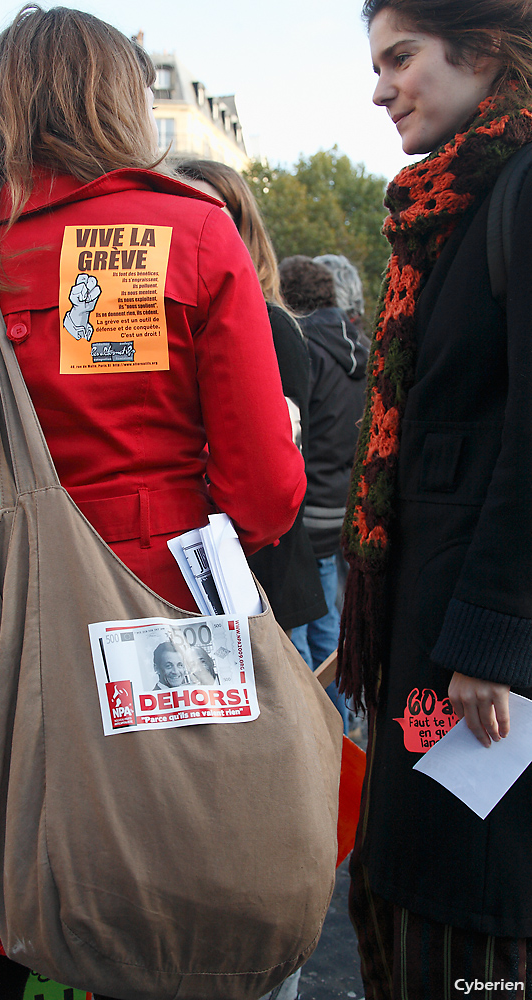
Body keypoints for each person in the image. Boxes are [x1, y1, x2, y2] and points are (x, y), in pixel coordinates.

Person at [0, 7, 305, 998]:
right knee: (153, 920)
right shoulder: (191, 230)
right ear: (120, 102)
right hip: (159, 624)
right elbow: (264, 494)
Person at [338, 1, 532, 995]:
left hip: (478, 667)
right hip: (437, 644)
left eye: (400, 57)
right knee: (412, 903)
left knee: (462, 930)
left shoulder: (517, 190)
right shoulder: (454, 204)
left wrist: (493, 640)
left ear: (485, 46)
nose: (379, 88)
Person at [176, 159, 327, 639]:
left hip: (264, 575)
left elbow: (275, 463)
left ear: (243, 232)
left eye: (213, 214)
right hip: (201, 574)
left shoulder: (270, 324)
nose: (194, 227)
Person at [278, 256, 368, 734]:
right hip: (344, 501)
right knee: (328, 613)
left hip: (309, 503)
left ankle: (326, 726)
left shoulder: (303, 347)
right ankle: (345, 719)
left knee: (305, 619)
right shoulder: (361, 347)